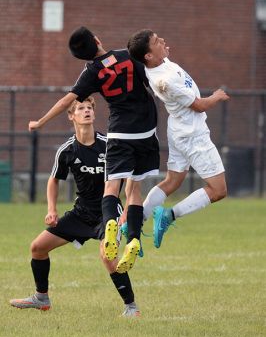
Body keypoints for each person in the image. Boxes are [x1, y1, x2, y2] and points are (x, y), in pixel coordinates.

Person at [28, 27, 160, 273]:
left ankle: (110, 222)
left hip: (119, 133)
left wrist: (41, 122)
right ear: (98, 40)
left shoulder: (92, 71)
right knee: (134, 188)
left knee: (111, 187)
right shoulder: (127, 55)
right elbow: (155, 81)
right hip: (144, 132)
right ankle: (133, 239)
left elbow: (66, 100)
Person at [10, 97, 140, 317]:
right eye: (81, 108)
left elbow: (130, 178)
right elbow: (53, 180)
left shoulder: (109, 144)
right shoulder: (67, 150)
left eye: (90, 108)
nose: (86, 111)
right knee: (38, 248)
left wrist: (128, 209)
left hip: (108, 212)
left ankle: (131, 307)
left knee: (107, 255)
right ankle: (41, 297)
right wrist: (51, 209)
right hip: (82, 212)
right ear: (71, 116)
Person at [128, 29, 229, 248]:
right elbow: (200, 105)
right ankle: (169, 215)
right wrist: (217, 96)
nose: (162, 40)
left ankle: (133, 223)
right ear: (148, 56)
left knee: (172, 181)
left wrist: (161, 53)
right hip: (193, 134)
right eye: (156, 41)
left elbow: (155, 58)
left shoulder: (157, 64)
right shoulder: (164, 80)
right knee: (218, 190)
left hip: (178, 129)